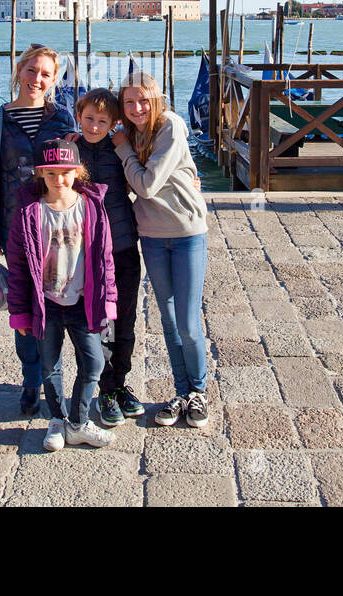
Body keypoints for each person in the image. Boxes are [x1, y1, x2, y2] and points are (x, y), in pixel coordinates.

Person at [0, 44, 77, 416]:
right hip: (15, 232)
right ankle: (31, 380)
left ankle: (54, 381)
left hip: (58, 231)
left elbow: (79, 172)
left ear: (54, 79)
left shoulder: (63, 120)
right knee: (23, 312)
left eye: (46, 74)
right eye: (32, 71)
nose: (37, 79)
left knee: (57, 309)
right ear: (19, 71)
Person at [5, 139, 117, 451]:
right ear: (40, 173)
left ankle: (78, 422)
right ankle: (57, 420)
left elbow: (105, 257)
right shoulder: (29, 212)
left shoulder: (91, 207)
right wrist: (19, 312)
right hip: (46, 304)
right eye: (51, 173)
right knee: (49, 365)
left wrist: (108, 300)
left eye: (66, 172)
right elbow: (16, 265)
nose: (59, 179)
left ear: (78, 171)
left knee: (93, 363)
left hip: (83, 302)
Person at [115, 72, 211, 428]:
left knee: (187, 320)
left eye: (143, 100)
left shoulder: (169, 124)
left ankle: (199, 391)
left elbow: (147, 185)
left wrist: (123, 149)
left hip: (186, 233)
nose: (137, 107)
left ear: (156, 99)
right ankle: (182, 392)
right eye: (129, 102)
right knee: (168, 320)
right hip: (152, 237)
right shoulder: (131, 133)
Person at [69, 88, 144, 427]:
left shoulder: (121, 150)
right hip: (85, 252)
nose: (94, 127)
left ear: (114, 123)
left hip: (122, 245)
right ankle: (103, 388)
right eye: (89, 119)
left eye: (102, 122)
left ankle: (120, 384)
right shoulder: (69, 149)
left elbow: (151, 175)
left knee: (124, 320)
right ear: (78, 115)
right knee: (97, 323)